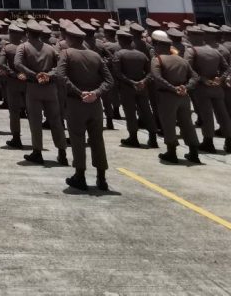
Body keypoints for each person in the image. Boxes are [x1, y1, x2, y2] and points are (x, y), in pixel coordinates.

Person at [57, 23, 114, 191]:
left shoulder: (66, 53)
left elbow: (61, 76)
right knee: (97, 140)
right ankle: (101, 177)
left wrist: (79, 92)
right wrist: (95, 93)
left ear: (69, 39)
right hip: (95, 104)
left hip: (76, 103)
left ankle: (80, 175)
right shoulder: (95, 56)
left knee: (77, 139)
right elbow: (109, 81)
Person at [15, 21, 68, 166]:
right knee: (56, 121)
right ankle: (62, 152)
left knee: (35, 121)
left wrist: (35, 75)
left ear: (27, 33)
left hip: (34, 87)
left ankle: (37, 152)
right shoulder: (50, 48)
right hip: (50, 88)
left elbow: (18, 64)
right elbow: (61, 65)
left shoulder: (23, 46)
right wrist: (49, 75)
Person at [149, 30, 203, 164]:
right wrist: (186, 87)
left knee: (168, 124)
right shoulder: (182, 60)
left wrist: (173, 88)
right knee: (187, 124)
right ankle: (194, 152)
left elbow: (157, 78)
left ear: (157, 45)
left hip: (167, 97)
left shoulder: (157, 59)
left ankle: (171, 152)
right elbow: (195, 77)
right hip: (184, 96)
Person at [110, 28, 158, 148]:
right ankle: (153, 138)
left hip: (127, 88)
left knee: (130, 113)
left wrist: (132, 82)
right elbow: (150, 72)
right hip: (142, 88)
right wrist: (142, 82)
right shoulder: (141, 55)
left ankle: (133, 137)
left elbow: (117, 73)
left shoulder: (119, 54)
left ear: (121, 41)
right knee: (147, 111)